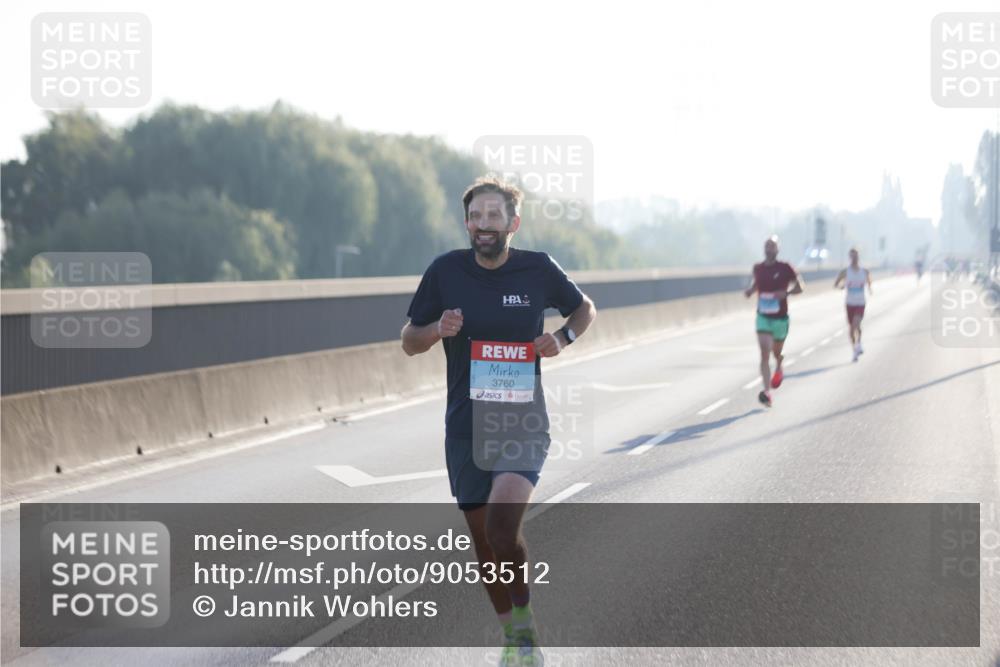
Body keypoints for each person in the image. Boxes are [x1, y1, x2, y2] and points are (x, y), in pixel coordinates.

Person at [402, 176, 597, 666]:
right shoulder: (445, 271)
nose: (483, 224)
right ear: (467, 224)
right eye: (475, 216)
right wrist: (436, 329)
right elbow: (408, 339)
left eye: (493, 215)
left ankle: (526, 623)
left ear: (514, 223)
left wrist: (563, 338)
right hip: (466, 426)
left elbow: (584, 309)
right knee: (484, 542)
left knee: (503, 528)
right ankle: (514, 633)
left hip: (521, 422)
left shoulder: (538, 268)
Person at [744, 236, 804, 407]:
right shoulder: (758, 268)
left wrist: (786, 293)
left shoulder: (785, 268)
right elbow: (757, 283)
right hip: (763, 316)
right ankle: (767, 392)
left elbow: (800, 287)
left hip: (780, 318)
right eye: (767, 246)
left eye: (772, 246)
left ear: (778, 249)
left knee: (776, 352)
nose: (769, 249)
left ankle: (779, 363)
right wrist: (751, 291)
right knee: (764, 353)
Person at [834, 248, 873, 362]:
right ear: (849, 257)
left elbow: (869, 281)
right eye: (852, 256)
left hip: (860, 303)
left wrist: (870, 288)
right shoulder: (845, 272)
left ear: (859, 257)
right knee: (852, 329)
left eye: (856, 256)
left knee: (855, 325)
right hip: (849, 303)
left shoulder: (864, 271)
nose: (854, 258)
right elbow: (836, 284)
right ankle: (855, 349)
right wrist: (841, 286)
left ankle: (859, 343)